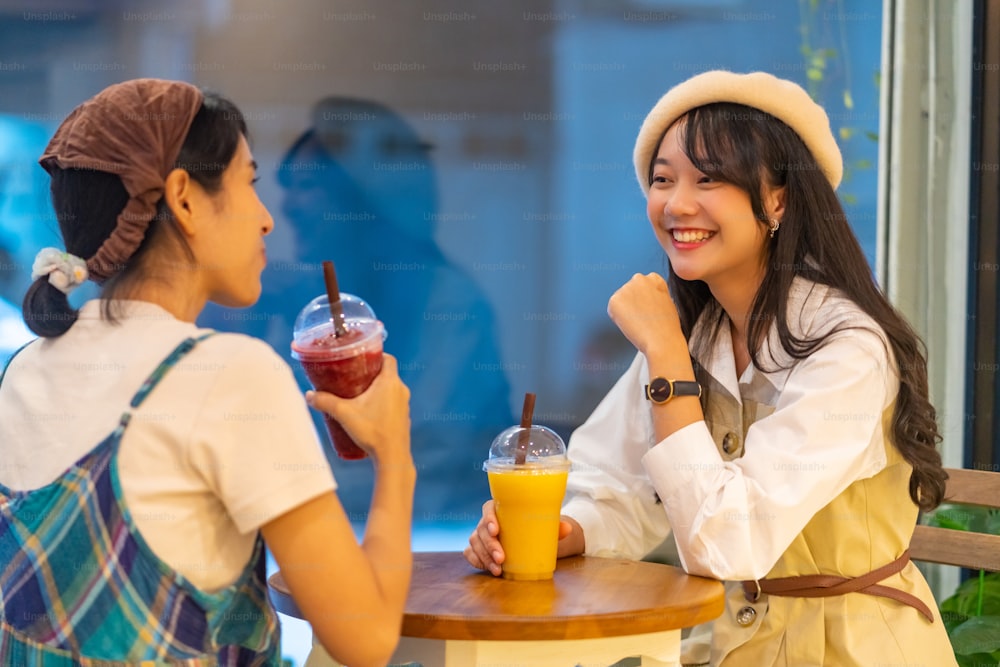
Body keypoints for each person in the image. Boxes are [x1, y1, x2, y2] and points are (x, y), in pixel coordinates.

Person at [464, 71, 958, 666]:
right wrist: (569, 530)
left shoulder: (846, 349)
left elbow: (729, 543)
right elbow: (616, 487)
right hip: (727, 645)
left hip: (850, 647)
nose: (676, 204)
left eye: (709, 179)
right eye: (663, 180)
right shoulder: (698, 332)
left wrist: (666, 359)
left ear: (778, 198)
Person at [0, 79, 415, 667]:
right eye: (250, 183)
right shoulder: (229, 375)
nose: (267, 219)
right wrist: (395, 454)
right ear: (185, 198)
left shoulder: (20, 371)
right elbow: (366, 639)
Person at [202, 96, 512, 522]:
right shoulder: (297, 305)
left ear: (367, 198)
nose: (285, 207)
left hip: (439, 551)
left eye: (308, 184)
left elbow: (430, 458)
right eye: (285, 184)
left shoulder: (450, 305)